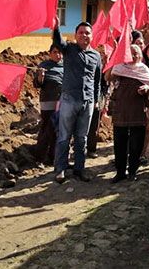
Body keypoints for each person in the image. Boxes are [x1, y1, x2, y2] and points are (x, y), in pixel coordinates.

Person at [52, 17, 101, 183]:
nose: (84, 35)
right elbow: (58, 42)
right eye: (80, 33)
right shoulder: (69, 49)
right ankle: (61, 169)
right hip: (69, 100)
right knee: (64, 136)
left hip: (87, 102)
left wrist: (96, 100)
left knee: (82, 138)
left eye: (87, 33)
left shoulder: (96, 56)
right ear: (75, 35)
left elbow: (97, 80)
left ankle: (80, 169)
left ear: (92, 36)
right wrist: (56, 27)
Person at [106, 45, 149, 183]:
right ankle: (120, 172)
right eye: (131, 54)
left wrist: (147, 89)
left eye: (137, 54)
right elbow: (108, 77)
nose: (134, 56)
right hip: (121, 112)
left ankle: (133, 171)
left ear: (141, 55)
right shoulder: (119, 68)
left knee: (136, 145)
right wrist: (114, 61)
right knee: (119, 144)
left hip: (138, 112)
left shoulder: (144, 70)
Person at [34, 45, 64, 168]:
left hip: (62, 103)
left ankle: (53, 157)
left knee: (58, 131)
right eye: (55, 52)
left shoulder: (66, 66)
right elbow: (37, 84)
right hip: (48, 103)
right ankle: (39, 157)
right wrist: (41, 77)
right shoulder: (44, 66)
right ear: (50, 53)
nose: (58, 55)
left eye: (60, 52)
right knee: (47, 129)